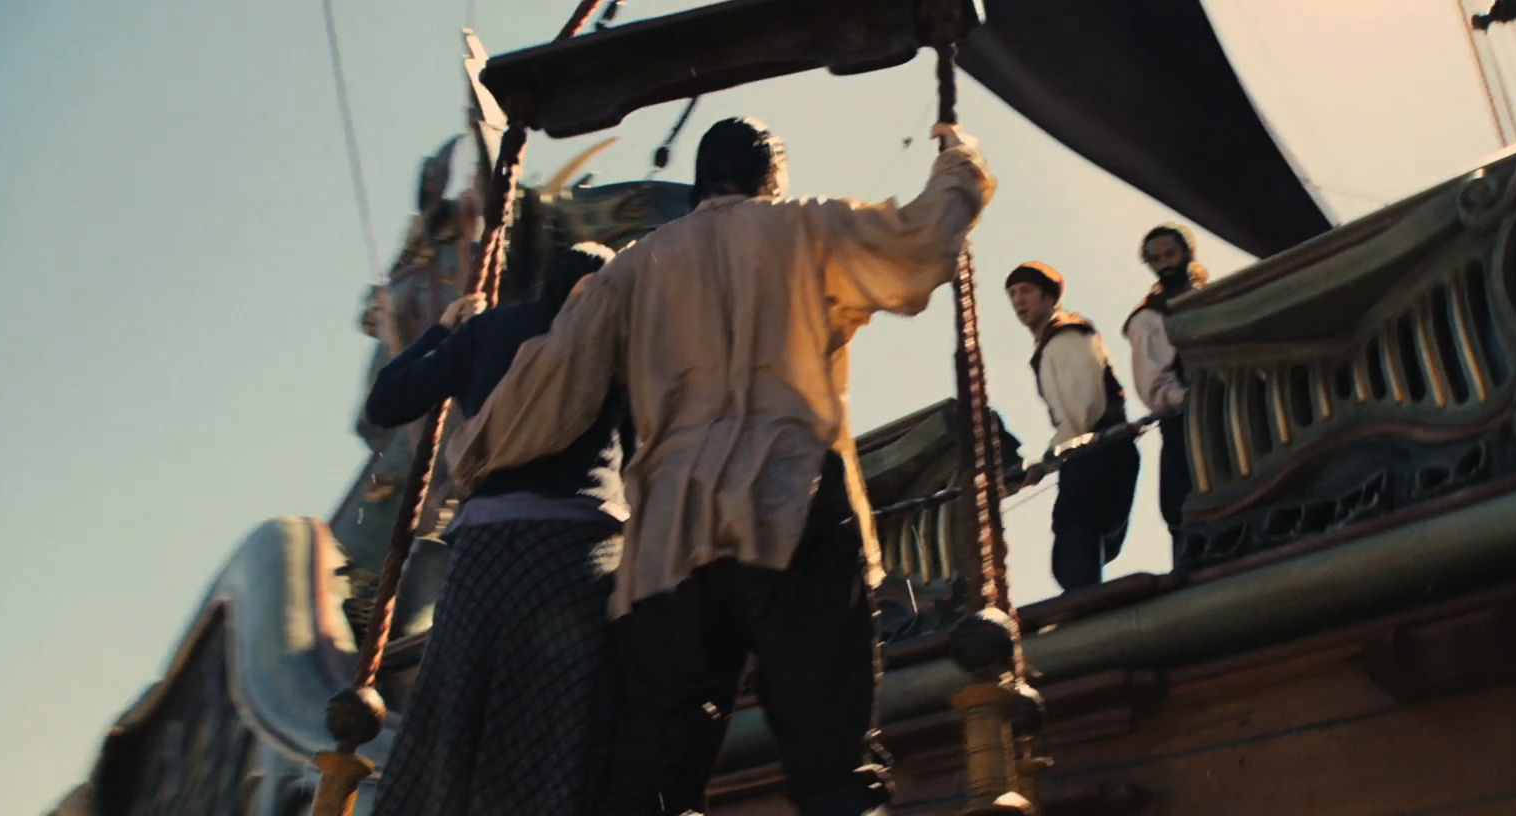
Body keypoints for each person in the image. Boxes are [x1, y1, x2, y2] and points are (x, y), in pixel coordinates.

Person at [445, 116, 995, 816]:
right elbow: (922, 240)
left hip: (668, 541)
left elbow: (552, 380)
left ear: (702, 180)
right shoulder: (805, 227)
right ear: (772, 177)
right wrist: (959, 162)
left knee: (649, 781)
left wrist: (471, 453)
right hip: (792, 505)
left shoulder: (633, 268)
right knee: (831, 764)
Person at [364, 242, 632, 816]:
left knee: (455, 711)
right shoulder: (616, 338)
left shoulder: (488, 331)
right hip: (575, 556)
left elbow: (386, 402)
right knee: (561, 725)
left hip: (483, 555)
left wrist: (444, 331)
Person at [1006, 262, 1141, 592]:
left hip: (1097, 450)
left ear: (1049, 297)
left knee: (1076, 534)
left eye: (1026, 291)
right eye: (1013, 294)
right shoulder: (1053, 342)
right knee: (1082, 541)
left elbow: (1082, 412)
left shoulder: (1065, 337)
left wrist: (1047, 461)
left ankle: (1086, 605)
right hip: (1096, 450)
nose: (1018, 300)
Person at [1123, 223, 1206, 559]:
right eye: (1156, 259)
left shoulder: (1208, 298)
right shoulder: (1149, 317)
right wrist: (1191, 399)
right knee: (1190, 508)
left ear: (1187, 253)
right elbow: (1154, 385)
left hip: (1224, 414)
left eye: (1170, 254)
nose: (1165, 264)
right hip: (1185, 422)